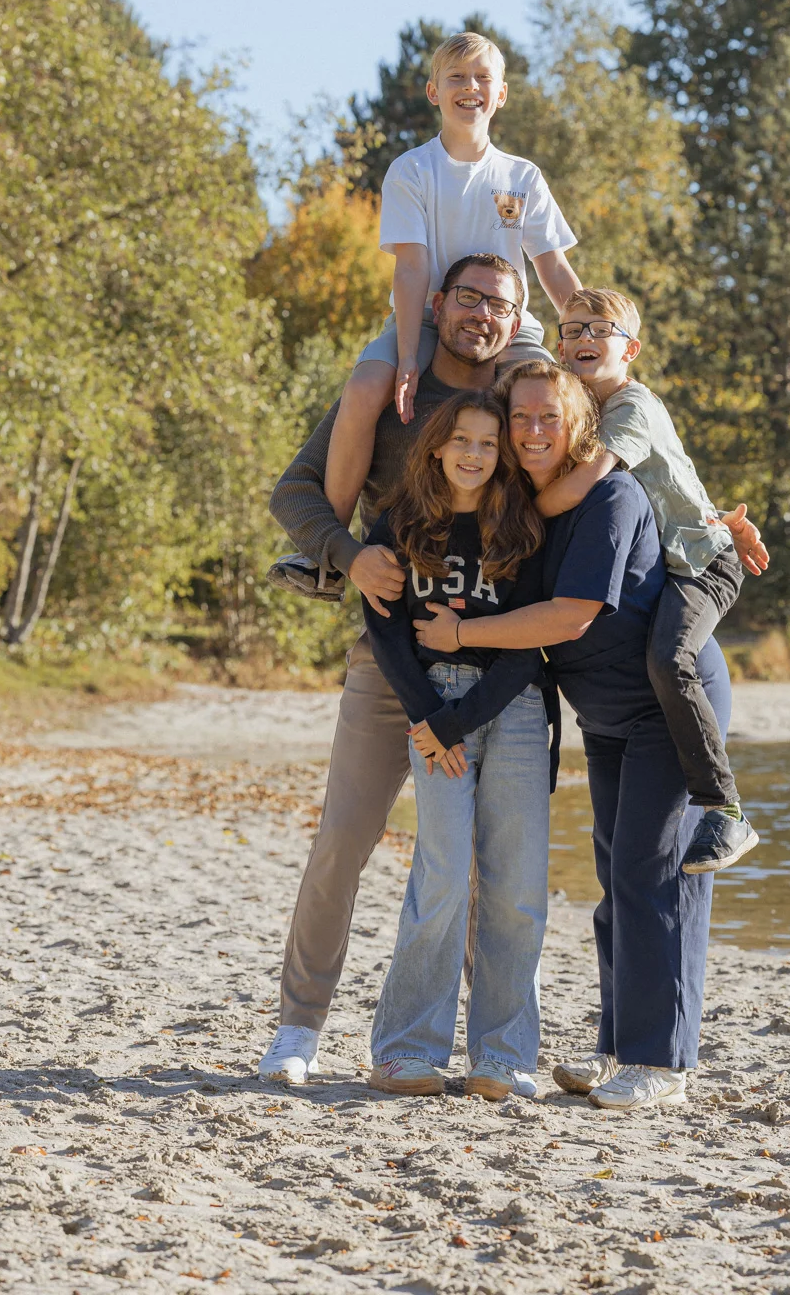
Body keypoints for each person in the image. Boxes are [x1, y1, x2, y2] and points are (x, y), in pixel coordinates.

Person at [415, 360, 734, 1112]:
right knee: (614, 880)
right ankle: (619, 1046)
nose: (530, 431)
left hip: (666, 707)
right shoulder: (525, 503)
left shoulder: (612, 496)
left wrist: (461, 632)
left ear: (579, 424)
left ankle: (663, 1064)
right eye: (519, 417)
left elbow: (571, 616)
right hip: (610, 718)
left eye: (547, 418)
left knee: (653, 874)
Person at [257, 253, 529, 1089]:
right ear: (437, 305)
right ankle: (297, 1030)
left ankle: (492, 1048)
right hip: (390, 662)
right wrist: (345, 554)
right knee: (344, 838)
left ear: (517, 323)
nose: (482, 315)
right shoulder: (392, 396)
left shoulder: (524, 409)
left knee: (489, 863)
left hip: (496, 672)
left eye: (501, 305)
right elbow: (295, 493)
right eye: (469, 298)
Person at [360, 391, 551, 1101]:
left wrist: (458, 720)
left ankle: (502, 1057)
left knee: (517, 884)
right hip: (432, 706)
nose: (474, 453)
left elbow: (532, 641)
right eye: (462, 439)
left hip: (516, 709)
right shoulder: (403, 522)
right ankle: (406, 1051)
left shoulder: (521, 525)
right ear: (437, 446)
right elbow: (384, 628)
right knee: (440, 875)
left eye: (489, 443)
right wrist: (430, 718)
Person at [538, 286, 768, 875]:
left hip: (703, 566)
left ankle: (727, 809)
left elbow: (590, 479)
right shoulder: (579, 407)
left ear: (631, 348)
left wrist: (515, 512)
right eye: (572, 329)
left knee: (669, 658)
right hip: (681, 555)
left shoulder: (631, 407)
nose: (583, 339)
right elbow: (676, 486)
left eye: (599, 330)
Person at [322, 31, 582, 528]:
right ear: (433, 91)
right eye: (457, 77)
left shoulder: (521, 176)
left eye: (484, 78)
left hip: (508, 329)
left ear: (501, 94)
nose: (471, 87)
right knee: (364, 387)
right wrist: (404, 360)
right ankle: (325, 551)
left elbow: (552, 267)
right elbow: (413, 266)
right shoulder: (412, 170)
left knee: (558, 400)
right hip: (425, 321)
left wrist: (582, 334)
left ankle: (559, 536)